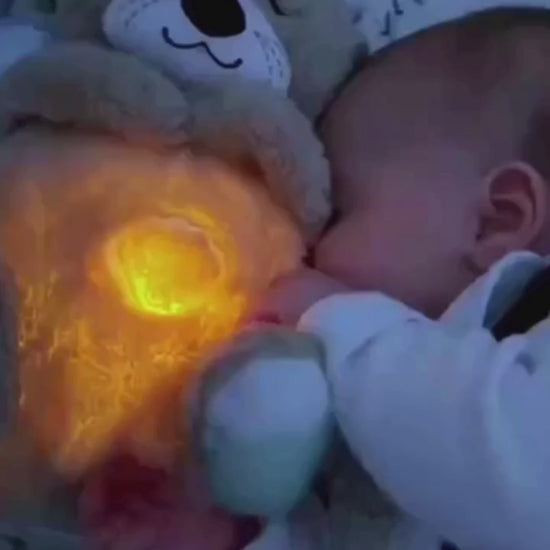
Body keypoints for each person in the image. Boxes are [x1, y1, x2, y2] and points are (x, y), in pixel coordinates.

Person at [254, 7, 550, 550]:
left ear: (496, 220)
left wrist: (335, 319)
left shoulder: (397, 373)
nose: (308, 246)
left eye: (340, 209)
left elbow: (532, 483)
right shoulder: (401, 410)